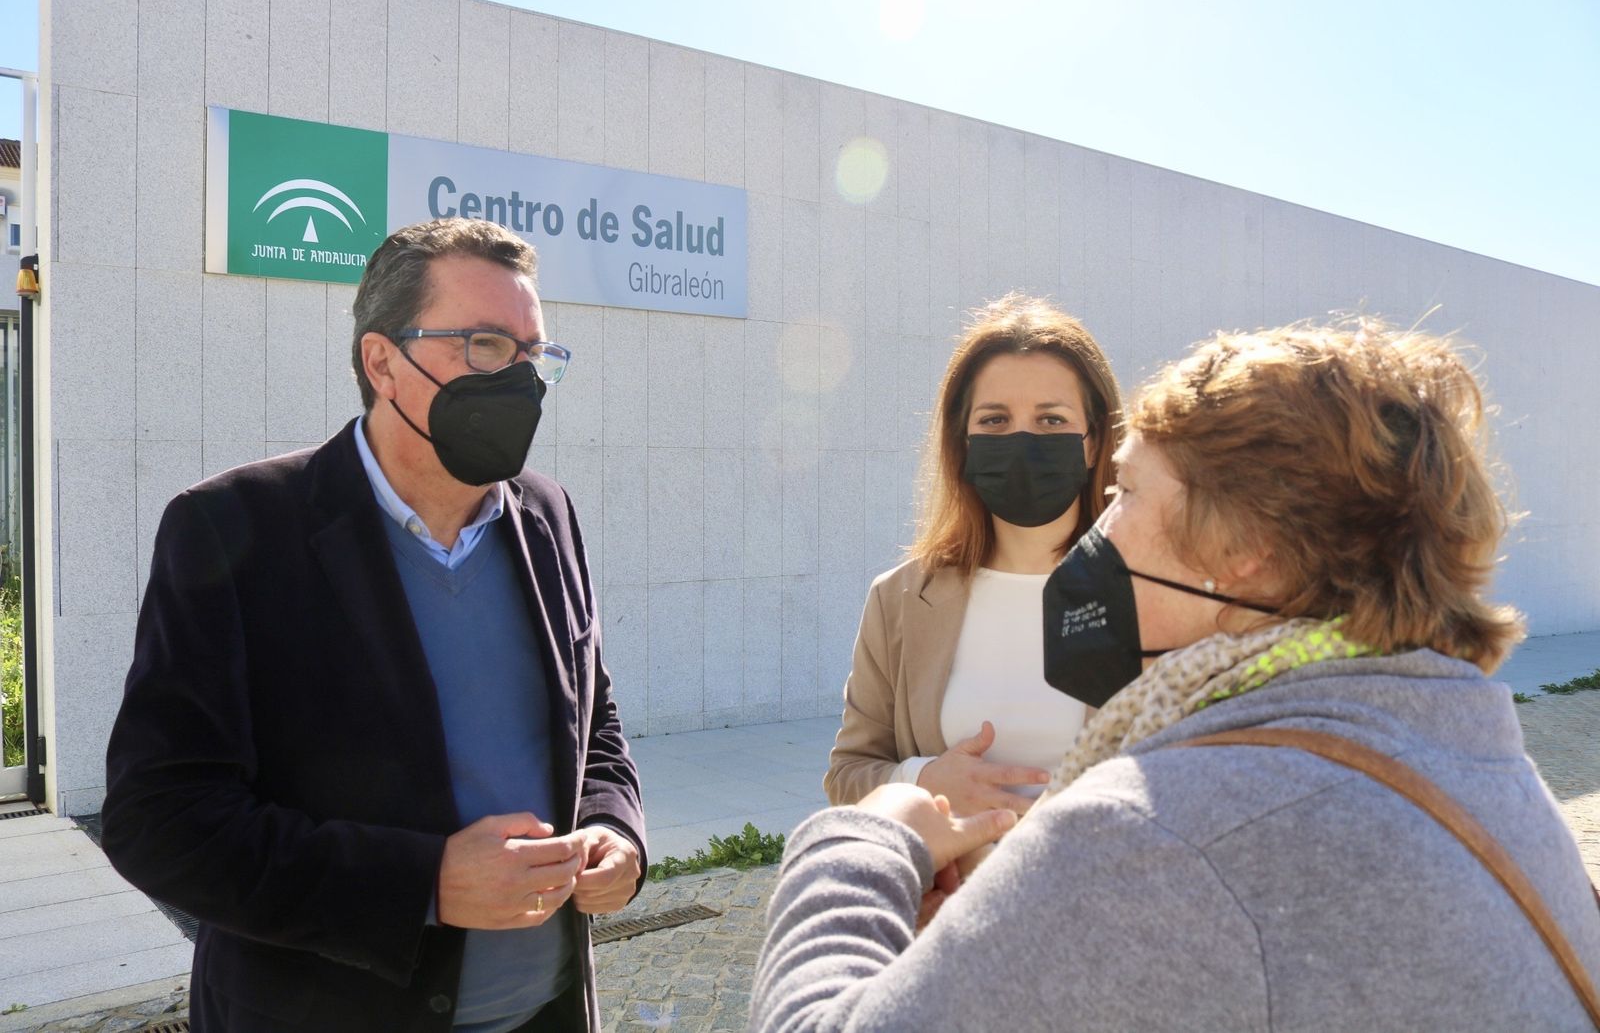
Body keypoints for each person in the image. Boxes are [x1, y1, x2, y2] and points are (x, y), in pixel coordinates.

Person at [754, 320, 1600, 1031]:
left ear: (1245, 546)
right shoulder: (1472, 743)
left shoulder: (1149, 828)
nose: (1103, 523)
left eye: (1125, 489)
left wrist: (866, 841)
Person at [102, 218, 646, 1033]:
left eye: (534, 353)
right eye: (486, 345)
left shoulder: (548, 512)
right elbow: (160, 819)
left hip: (547, 1012)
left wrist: (613, 828)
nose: (519, 378)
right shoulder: (232, 529)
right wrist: (421, 883)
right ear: (382, 361)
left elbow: (594, 721)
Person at [825, 294, 1122, 817]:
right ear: (962, 442)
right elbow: (848, 774)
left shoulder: (1153, 592)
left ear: (1094, 442)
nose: (1022, 440)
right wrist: (922, 779)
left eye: (1051, 420)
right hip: (952, 873)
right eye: (995, 420)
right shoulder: (900, 599)